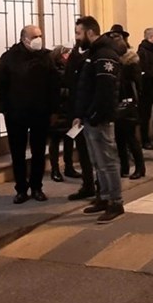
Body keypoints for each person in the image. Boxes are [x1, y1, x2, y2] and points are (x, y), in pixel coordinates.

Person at [0, 25, 58, 204]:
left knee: (38, 151)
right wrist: (4, 108)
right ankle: (21, 189)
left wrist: (53, 110)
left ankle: (37, 187)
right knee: (18, 153)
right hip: (16, 113)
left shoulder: (46, 57)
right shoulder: (9, 58)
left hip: (40, 112)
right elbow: (0, 85)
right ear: (24, 39)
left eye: (40, 35)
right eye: (35, 36)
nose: (39, 38)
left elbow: (54, 85)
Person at [74, 16, 124, 224]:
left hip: (100, 118)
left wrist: (94, 114)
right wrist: (80, 113)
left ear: (90, 33)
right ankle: (103, 197)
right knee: (98, 162)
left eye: (79, 33)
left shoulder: (104, 55)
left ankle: (115, 201)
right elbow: (85, 87)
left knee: (108, 161)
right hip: (90, 117)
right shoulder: (93, 54)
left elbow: (105, 90)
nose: (77, 37)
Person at [65, 22, 99, 201]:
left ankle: (103, 190)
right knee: (83, 150)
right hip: (76, 110)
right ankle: (88, 185)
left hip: (90, 111)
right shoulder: (75, 53)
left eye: (79, 33)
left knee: (98, 153)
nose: (77, 37)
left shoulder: (95, 54)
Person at [108, 25, 145, 180]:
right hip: (117, 102)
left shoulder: (131, 61)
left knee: (130, 138)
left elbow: (137, 84)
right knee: (120, 138)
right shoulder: (113, 60)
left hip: (129, 103)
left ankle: (139, 167)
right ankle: (124, 167)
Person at [47, 45, 77, 183]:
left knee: (69, 138)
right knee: (55, 140)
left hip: (69, 109)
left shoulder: (70, 69)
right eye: (66, 53)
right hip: (57, 110)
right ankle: (55, 169)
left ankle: (69, 166)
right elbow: (53, 90)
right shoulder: (53, 70)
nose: (68, 56)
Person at [137, 28, 153, 151]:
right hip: (146, 87)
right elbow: (143, 70)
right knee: (145, 115)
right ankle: (145, 139)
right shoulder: (143, 51)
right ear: (151, 37)